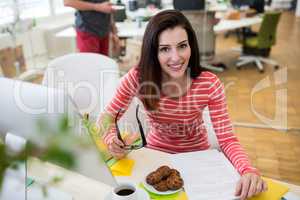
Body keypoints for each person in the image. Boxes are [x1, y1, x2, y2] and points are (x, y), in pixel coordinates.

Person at [97, 10, 267, 200]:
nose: (176, 57)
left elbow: (226, 138)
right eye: (165, 49)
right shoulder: (138, 78)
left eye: (182, 46)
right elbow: (107, 117)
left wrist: (247, 169)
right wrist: (112, 140)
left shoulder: (209, 83)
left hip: (199, 161)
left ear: (191, 45)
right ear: (153, 51)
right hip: (156, 158)